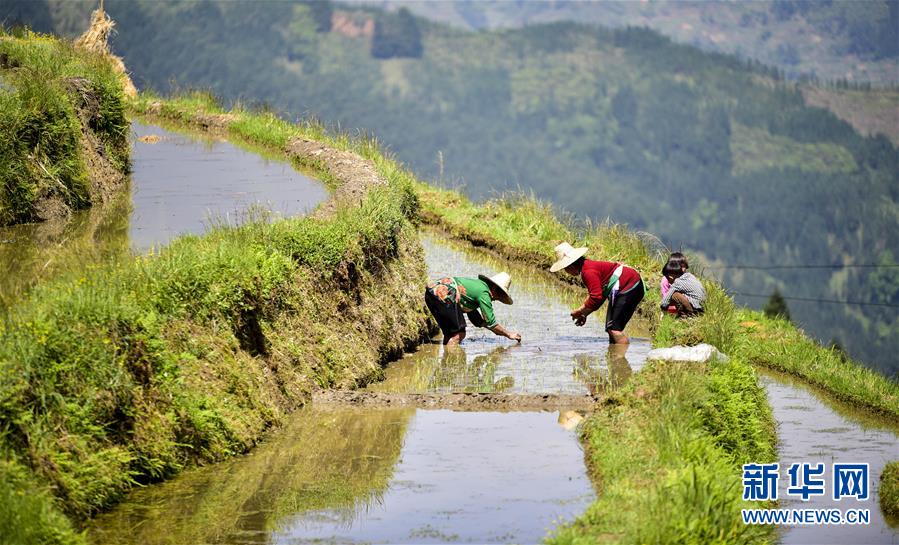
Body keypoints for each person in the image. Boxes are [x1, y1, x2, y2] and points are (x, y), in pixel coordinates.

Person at [550, 242, 645, 344]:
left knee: (614, 329)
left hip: (629, 285)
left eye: (564, 269)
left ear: (570, 267)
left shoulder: (588, 272)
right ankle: (613, 356)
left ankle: (620, 358)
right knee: (610, 328)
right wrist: (584, 314)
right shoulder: (587, 266)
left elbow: (596, 297)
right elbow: (600, 295)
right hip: (628, 284)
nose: (566, 271)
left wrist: (580, 310)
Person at [424, 272, 521, 345]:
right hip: (445, 295)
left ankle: (447, 361)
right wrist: (509, 334)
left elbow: (476, 319)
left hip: (430, 294)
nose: (496, 299)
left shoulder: (477, 288)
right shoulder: (484, 293)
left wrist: (486, 325)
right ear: (495, 288)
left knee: (450, 333)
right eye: (499, 295)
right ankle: (451, 364)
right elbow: (491, 323)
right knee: (459, 334)